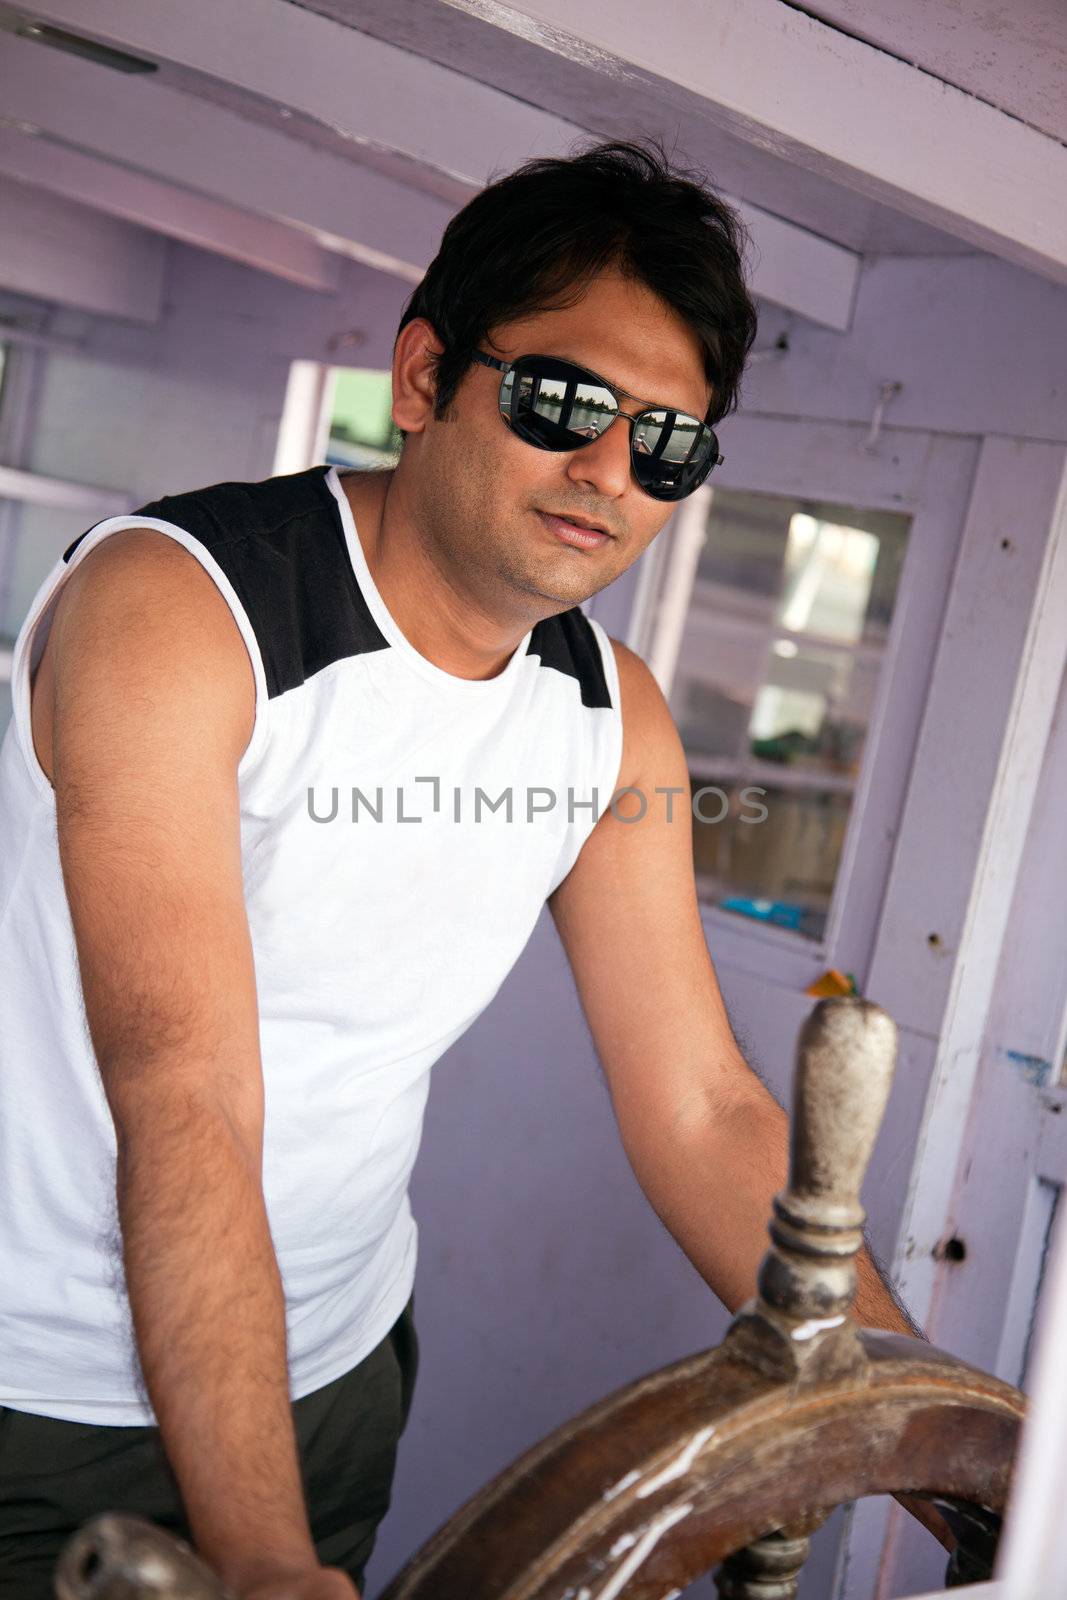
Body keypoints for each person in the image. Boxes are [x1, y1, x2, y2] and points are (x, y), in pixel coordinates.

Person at [0, 141, 916, 1600]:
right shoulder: (179, 613)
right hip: (31, 1389)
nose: (614, 471)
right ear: (423, 379)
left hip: (333, 1367)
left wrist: (941, 1439)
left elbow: (700, 1107)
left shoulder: (615, 722)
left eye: (670, 444)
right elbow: (188, 1087)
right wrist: (256, 1551)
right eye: (566, 404)